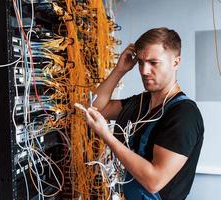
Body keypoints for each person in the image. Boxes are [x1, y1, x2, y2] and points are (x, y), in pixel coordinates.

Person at [84, 27, 204, 200]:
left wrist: (107, 136)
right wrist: (120, 70)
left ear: (176, 62)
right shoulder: (141, 102)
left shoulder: (184, 114)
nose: (144, 71)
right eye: (140, 62)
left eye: (153, 63)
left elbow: (154, 181)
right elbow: (96, 108)